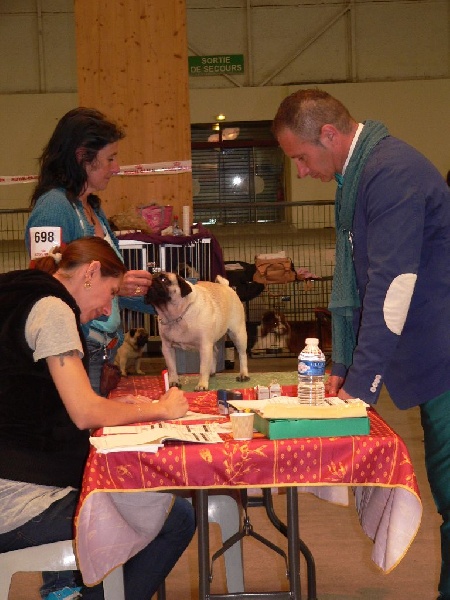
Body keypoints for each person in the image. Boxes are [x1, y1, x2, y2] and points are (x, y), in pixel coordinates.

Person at [272, 88, 450, 600]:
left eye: (301, 158)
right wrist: (344, 365)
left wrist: (361, 389)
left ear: (329, 135)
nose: (301, 171)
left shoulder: (390, 174)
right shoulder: (362, 177)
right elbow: (361, 282)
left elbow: (391, 289)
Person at [0, 237, 195, 600]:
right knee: (176, 518)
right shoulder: (53, 309)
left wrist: (123, 409)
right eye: (111, 293)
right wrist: (160, 408)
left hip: (14, 488)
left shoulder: (14, 295)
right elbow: (85, 412)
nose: (108, 310)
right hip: (17, 503)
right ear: (90, 273)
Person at [25, 107, 153, 395]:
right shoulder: (53, 209)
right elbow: (43, 289)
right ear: (83, 157)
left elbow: (107, 286)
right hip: (77, 354)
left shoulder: (93, 208)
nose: (116, 167)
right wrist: (119, 286)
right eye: (110, 159)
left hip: (100, 352)